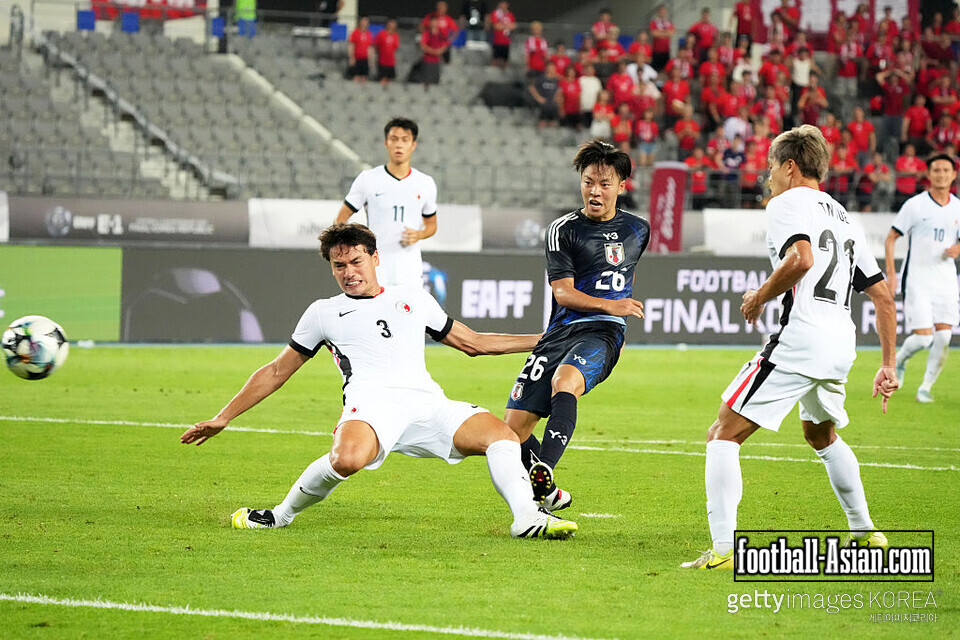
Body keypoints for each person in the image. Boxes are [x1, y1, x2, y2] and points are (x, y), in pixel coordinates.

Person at [182, 224, 578, 540]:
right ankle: (279, 516)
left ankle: (526, 517)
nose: (349, 272)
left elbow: (472, 343)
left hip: (427, 404)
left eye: (356, 261)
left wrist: (545, 340)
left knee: (503, 437)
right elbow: (275, 371)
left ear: (374, 257)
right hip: (370, 407)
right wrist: (224, 417)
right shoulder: (322, 313)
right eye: (339, 266)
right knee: (347, 460)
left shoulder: (413, 298)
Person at [682, 125, 900, 570]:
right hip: (841, 342)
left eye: (770, 169)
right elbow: (882, 296)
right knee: (820, 433)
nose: (768, 179)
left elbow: (801, 259)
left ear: (790, 167)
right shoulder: (844, 216)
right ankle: (864, 530)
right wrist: (888, 364)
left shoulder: (786, 203)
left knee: (723, 433)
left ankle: (723, 550)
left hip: (801, 339)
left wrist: (758, 297)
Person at [504, 140, 649, 511]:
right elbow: (564, 294)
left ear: (621, 185)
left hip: (603, 331)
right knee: (512, 431)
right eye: (588, 182)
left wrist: (611, 312)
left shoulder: (638, 230)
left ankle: (543, 475)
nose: (594, 191)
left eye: (604, 183)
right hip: (559, 332)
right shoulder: (562, 230)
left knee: (564, 381)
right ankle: (551, 493)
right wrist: (613, 303)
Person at [884, 154, 960, 403]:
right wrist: (892, 276)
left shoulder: (957, 207)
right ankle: (901, 360)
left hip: (947, 280)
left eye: (945, 170)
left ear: (953, 175)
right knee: (924, 338)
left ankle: (925, 387)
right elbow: (891, 238)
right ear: (928, 174)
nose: (941, 174)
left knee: (944, 337)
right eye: (936, 170)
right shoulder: (915, 205)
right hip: (917, 280)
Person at [335, 118, 437, 287]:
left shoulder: (425, 183)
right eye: (394, 139)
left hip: (409, 269)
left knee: (408, 312)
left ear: (413, 145)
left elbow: (432, 226)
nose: (399, 145)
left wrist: (419, 234)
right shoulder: (368, 179)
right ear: (386, 143)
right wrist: (351, 248)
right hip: (376, 268)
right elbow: (340, 219)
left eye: (405, 140)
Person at [374, 18, 400, 85]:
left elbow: (396, 47)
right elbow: (376, 45)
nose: (392, 26)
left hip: (391, 62)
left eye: (393, 25)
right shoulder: (381, 34)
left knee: (390, 79)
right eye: (390, 24)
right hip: (382, 61)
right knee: (382, 79)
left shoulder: (395, 36)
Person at [347, 16, 373, 83]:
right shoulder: (355, 32)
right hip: (356, 57)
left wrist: (370, 59)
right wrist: (351, 57)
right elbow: (351, 45)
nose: (364, 24)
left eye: (366, 22)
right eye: (363, 22)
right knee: (356, 76)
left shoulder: (368, 34)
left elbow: (369, 48)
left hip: (365, 58)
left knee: (364, 77)